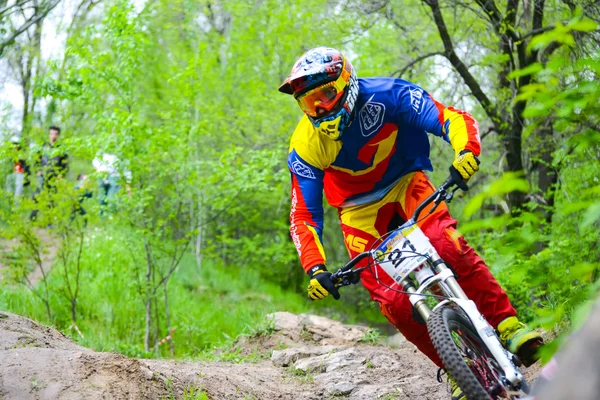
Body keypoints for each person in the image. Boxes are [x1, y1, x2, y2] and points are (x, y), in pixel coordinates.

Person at [279, 47, 543, 400]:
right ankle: (456, 369)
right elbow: (303, 214)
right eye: (309, 104)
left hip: (406, 182)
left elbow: (451, 118)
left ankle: (509, 325)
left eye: (326, 95)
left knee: (447, 243)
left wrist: (467, 151)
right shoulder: (305, 144)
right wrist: (315, 268)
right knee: (395, 303)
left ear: (346, 82)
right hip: (358, 211)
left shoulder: (389, 95)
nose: (321, 109)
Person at [30, 126, 69, 221]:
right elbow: (37, 159)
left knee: (51, 198)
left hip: (54, 177)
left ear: (58, 135)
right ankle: (32, 218)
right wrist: (37, 171)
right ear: (49, 134)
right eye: (51, 134)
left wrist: (61, 175)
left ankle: (49, 221)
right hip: (42, 175)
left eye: (55, 134)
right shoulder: (44, 147)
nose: (53, 136)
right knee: (37, 196)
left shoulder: (61, 149)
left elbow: (65, 165)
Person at [4, 135, 30, 202]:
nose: (15, 147)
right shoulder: (8, 155)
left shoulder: (23, 154)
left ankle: (16, 209)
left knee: (18, 194)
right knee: (8, 192)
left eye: (16, 145)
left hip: (20, 174)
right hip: (10, 174)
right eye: (13, 144)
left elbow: (27, 166)